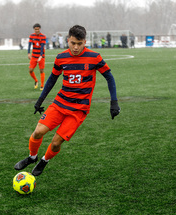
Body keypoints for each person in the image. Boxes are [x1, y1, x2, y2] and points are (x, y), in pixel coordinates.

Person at [14, 25, 121, 176]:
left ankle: (44, 160)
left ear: (85, 42)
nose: (76, 47)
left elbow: (109, 77)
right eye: (73, 43)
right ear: (67, 40)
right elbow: (52, 79)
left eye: (79, 44)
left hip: (78, 110)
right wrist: (40, 100)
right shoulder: (61, 58)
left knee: (56, 142)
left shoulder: (94, 57)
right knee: (38, 132)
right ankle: (32, 157)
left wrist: (114, 102)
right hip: (60, 103)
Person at [28, 23, 46, 90]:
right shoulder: (31, 36)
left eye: (38, 29)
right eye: (35, 29)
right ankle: (36, 80)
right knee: (30, 70)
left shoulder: (43, 36)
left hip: (41, 56)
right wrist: (28, 53)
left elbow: (42, 47)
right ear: (34, 29)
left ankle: (42, 85)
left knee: (41, 70)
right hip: (34, 56)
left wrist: (41, 56)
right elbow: (29, 45)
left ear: (40, 29)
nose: (37, 30)